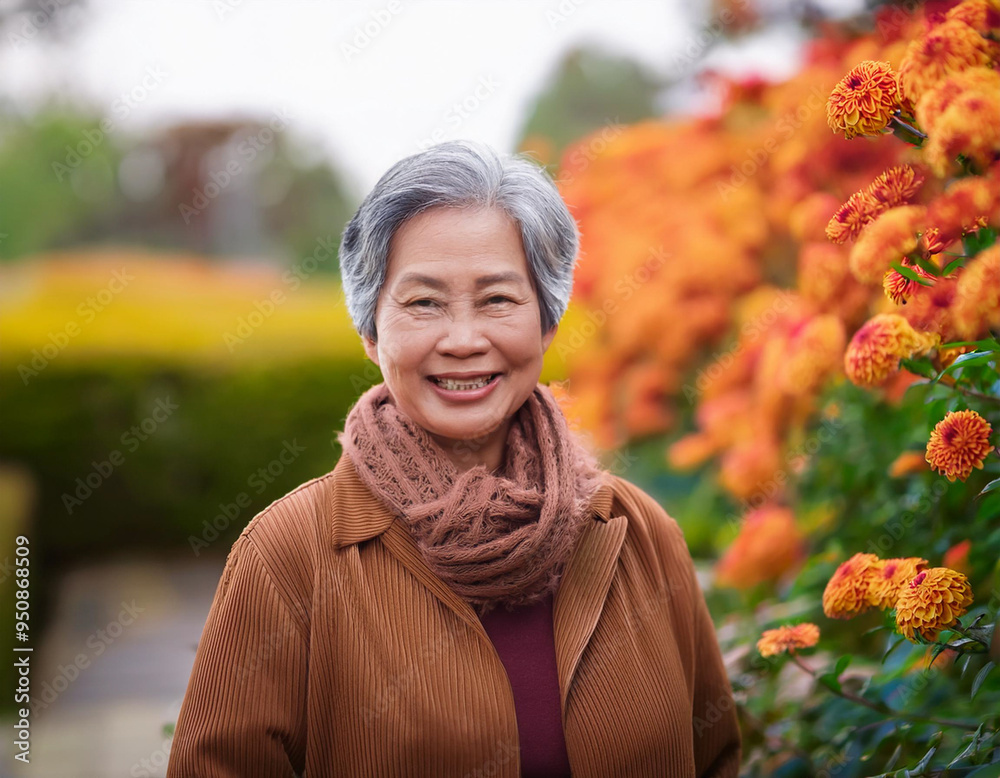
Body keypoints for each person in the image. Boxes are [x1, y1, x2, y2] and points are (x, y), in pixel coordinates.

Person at [166, 139, 741, 777]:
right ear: (370, 331)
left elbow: (715, 758)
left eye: (498, 299)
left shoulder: (638, 534)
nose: (464, 340)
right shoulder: (288, 556)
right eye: (424, 303)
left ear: (547, 322)